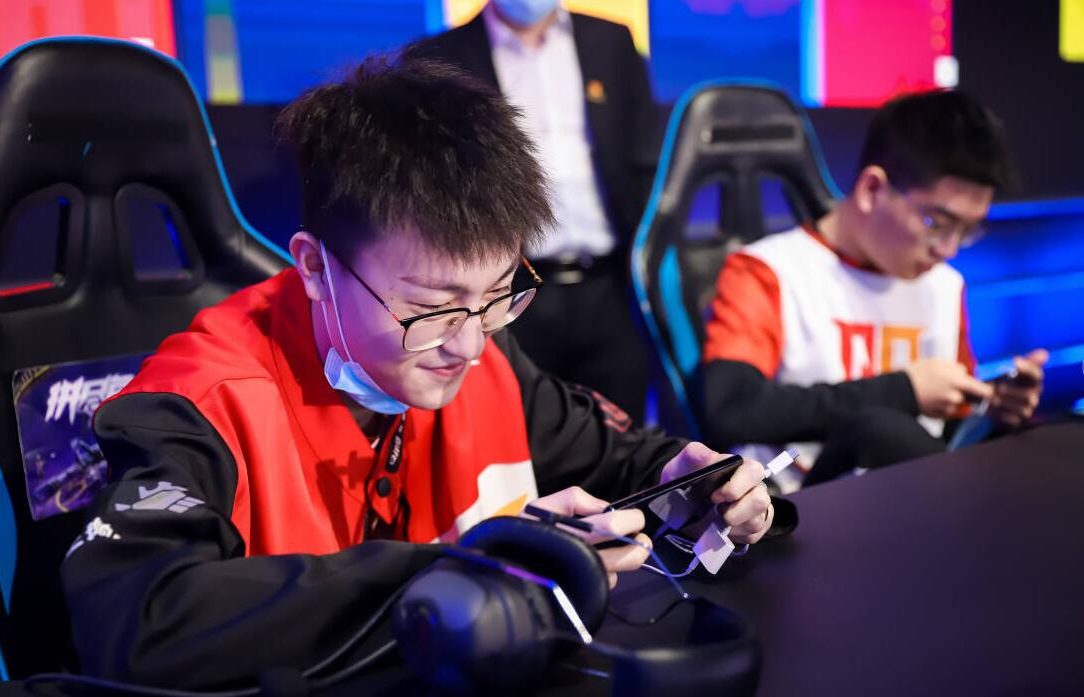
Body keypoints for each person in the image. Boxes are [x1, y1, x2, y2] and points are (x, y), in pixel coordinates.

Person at [59, 57, 774, 688]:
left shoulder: (487, 354)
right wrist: (465, 568)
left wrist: (705, 484)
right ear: (314, 267)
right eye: (432, 307)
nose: (468, 345)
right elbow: (136, 624)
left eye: (498, 294)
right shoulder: (199, 403)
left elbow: (623, 459)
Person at [697, 89, 1047, 492]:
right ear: (871, 189)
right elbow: (732, 409)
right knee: (878, 430)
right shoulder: (769, 271)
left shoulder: (944, 285)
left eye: (967, 231)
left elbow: (951, 431)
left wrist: (994, 407)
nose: (948, 249)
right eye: (937, 224)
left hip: (917, 494)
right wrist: (904, 391)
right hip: (804, 500)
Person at [406, 0, 660, 423]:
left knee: (621, 431)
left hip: (610, 288)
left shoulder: (611, 40)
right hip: (507, 295)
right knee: (520, 429)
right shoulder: (439, 58)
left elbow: (645, 159)